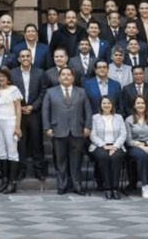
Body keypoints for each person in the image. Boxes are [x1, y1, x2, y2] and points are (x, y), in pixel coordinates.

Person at [43, 67, 91, 195]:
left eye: (69, 75)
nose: (66, 77)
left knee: (76, 161)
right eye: (63, 75)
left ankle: (77, 185)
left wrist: (87, 126)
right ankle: (62, 185)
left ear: (73, 78)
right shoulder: (50, 92)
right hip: (58, 131)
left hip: (77, 131)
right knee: (61, 161)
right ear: (59, 78)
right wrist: (47, 128)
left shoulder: (81, 92)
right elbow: (45, 111)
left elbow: (88, 110)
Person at [88, 95, 126, 200]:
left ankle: (115, 188)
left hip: (116, 145)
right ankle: (107, 188)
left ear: (112, 105)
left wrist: (115, 146)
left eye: (108, 103)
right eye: (104, 103)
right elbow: (93, 135)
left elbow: (123, 134)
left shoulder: (119, 117)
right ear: (100, 105)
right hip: (99, 145)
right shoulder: (95, 118)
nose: (106, 105)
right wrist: (103, 145)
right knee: (104, 157)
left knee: (116, 157)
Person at [125, 95, 148, 199]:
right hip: (134, 147)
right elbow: (128, 140)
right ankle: (145, 185)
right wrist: (140, 145)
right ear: (134, 105)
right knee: (142, 155)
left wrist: (147, 144)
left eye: (143, 103)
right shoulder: (128, 120)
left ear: (146, 105)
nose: (140, 105)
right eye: (138, 103)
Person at [0, 67, 23, 193]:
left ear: (8, 78)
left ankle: (12, 182)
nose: (1, 78)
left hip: (10, 121)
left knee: (12, 151)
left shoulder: (14, 90)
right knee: (1, 152)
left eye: (3, 76)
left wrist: (17, 127)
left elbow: (18, 109)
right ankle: (4, 181)